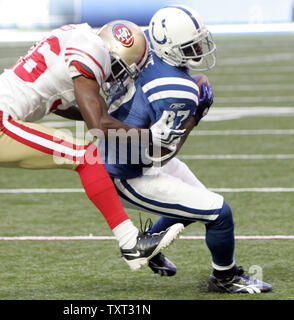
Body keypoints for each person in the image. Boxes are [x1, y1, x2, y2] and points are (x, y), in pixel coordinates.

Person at [0, 20, 185, 272]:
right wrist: (148, 136)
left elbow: (66, 105)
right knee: (87, 156)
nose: (117, 77)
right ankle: (131, 242)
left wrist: (121, 121)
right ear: (114, 53)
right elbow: (98, 125)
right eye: (122, 69)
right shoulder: (93, 52)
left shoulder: (77, 36)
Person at [59, 6, 273, 293]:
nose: (197, 50)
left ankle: (151, 243)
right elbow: (162, 153)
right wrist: (197, 114)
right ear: (169, 45)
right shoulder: (177, 89)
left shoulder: (140, 43)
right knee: (219, 213)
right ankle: (225, 277)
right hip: (129, 171)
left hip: (122, 149)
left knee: (197, 202)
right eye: (189, 46)